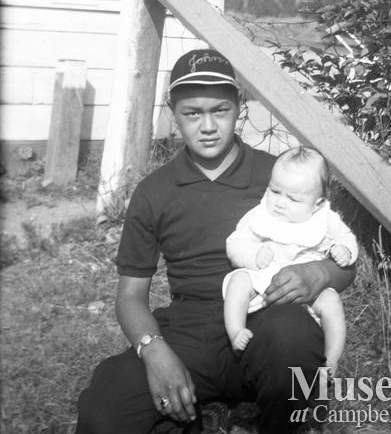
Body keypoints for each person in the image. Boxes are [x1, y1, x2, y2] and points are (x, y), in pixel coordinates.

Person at [75, 49, 355, 434]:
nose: (207, 126)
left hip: (264, 316)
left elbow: (344, 270)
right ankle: (194, 416)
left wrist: (318, 272)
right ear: (174, 115)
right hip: (187, 331)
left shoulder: (277, 178)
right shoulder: (154, 191)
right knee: (104, 412)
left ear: (240, 106)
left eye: (220, 110)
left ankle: (281, 424)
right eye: (192, 113)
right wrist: (155, 351)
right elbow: (130, 296)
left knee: (291, 336)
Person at [222, 147, 358, 377]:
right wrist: (253, 255)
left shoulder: (325, 218)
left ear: (317, 203)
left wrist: (344, 250)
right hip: (264, 277)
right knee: (238, 281)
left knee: (332, 301)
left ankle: (332, 358)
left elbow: (347, 238)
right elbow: (234, 243)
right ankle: (236, 331)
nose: (280, 203)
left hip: (308, 287)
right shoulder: (261, 214)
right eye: (275, 191)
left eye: (293, 198)